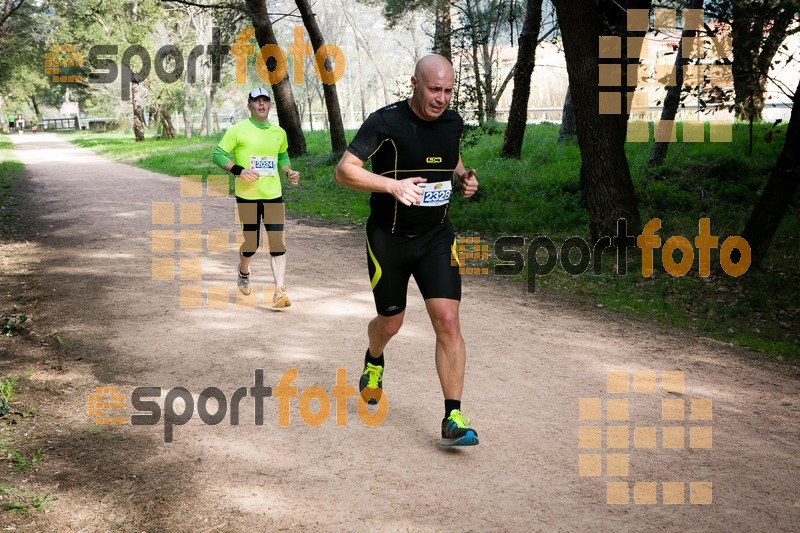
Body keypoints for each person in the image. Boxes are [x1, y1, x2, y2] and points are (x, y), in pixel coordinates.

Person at [333, 54, 480, 447]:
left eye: (448, 90)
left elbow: (451, 160)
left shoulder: (452, 122)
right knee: (390, 323)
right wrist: (392, 185)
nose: (442, 98)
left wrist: (463, 178)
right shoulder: (386, 121)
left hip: (436, 237)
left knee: (448, 319)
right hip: (390, 239)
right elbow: (344, 170)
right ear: (414, 84)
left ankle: (453, 415)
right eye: (435, 89)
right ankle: (374, 358)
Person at [212, 87, 300, 308]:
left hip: (273, 195)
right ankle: (244, 270)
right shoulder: (237, 130)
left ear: (270, 105)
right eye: (256, 101)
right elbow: (218, 154)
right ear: (249, 105)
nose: (261, 104)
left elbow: (282, 156)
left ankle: (279, 292)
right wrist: (239, 170)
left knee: (277, 243)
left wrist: (288, 171)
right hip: (247, 196)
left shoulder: (279, 133)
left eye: (265, 101)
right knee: (251, 243)